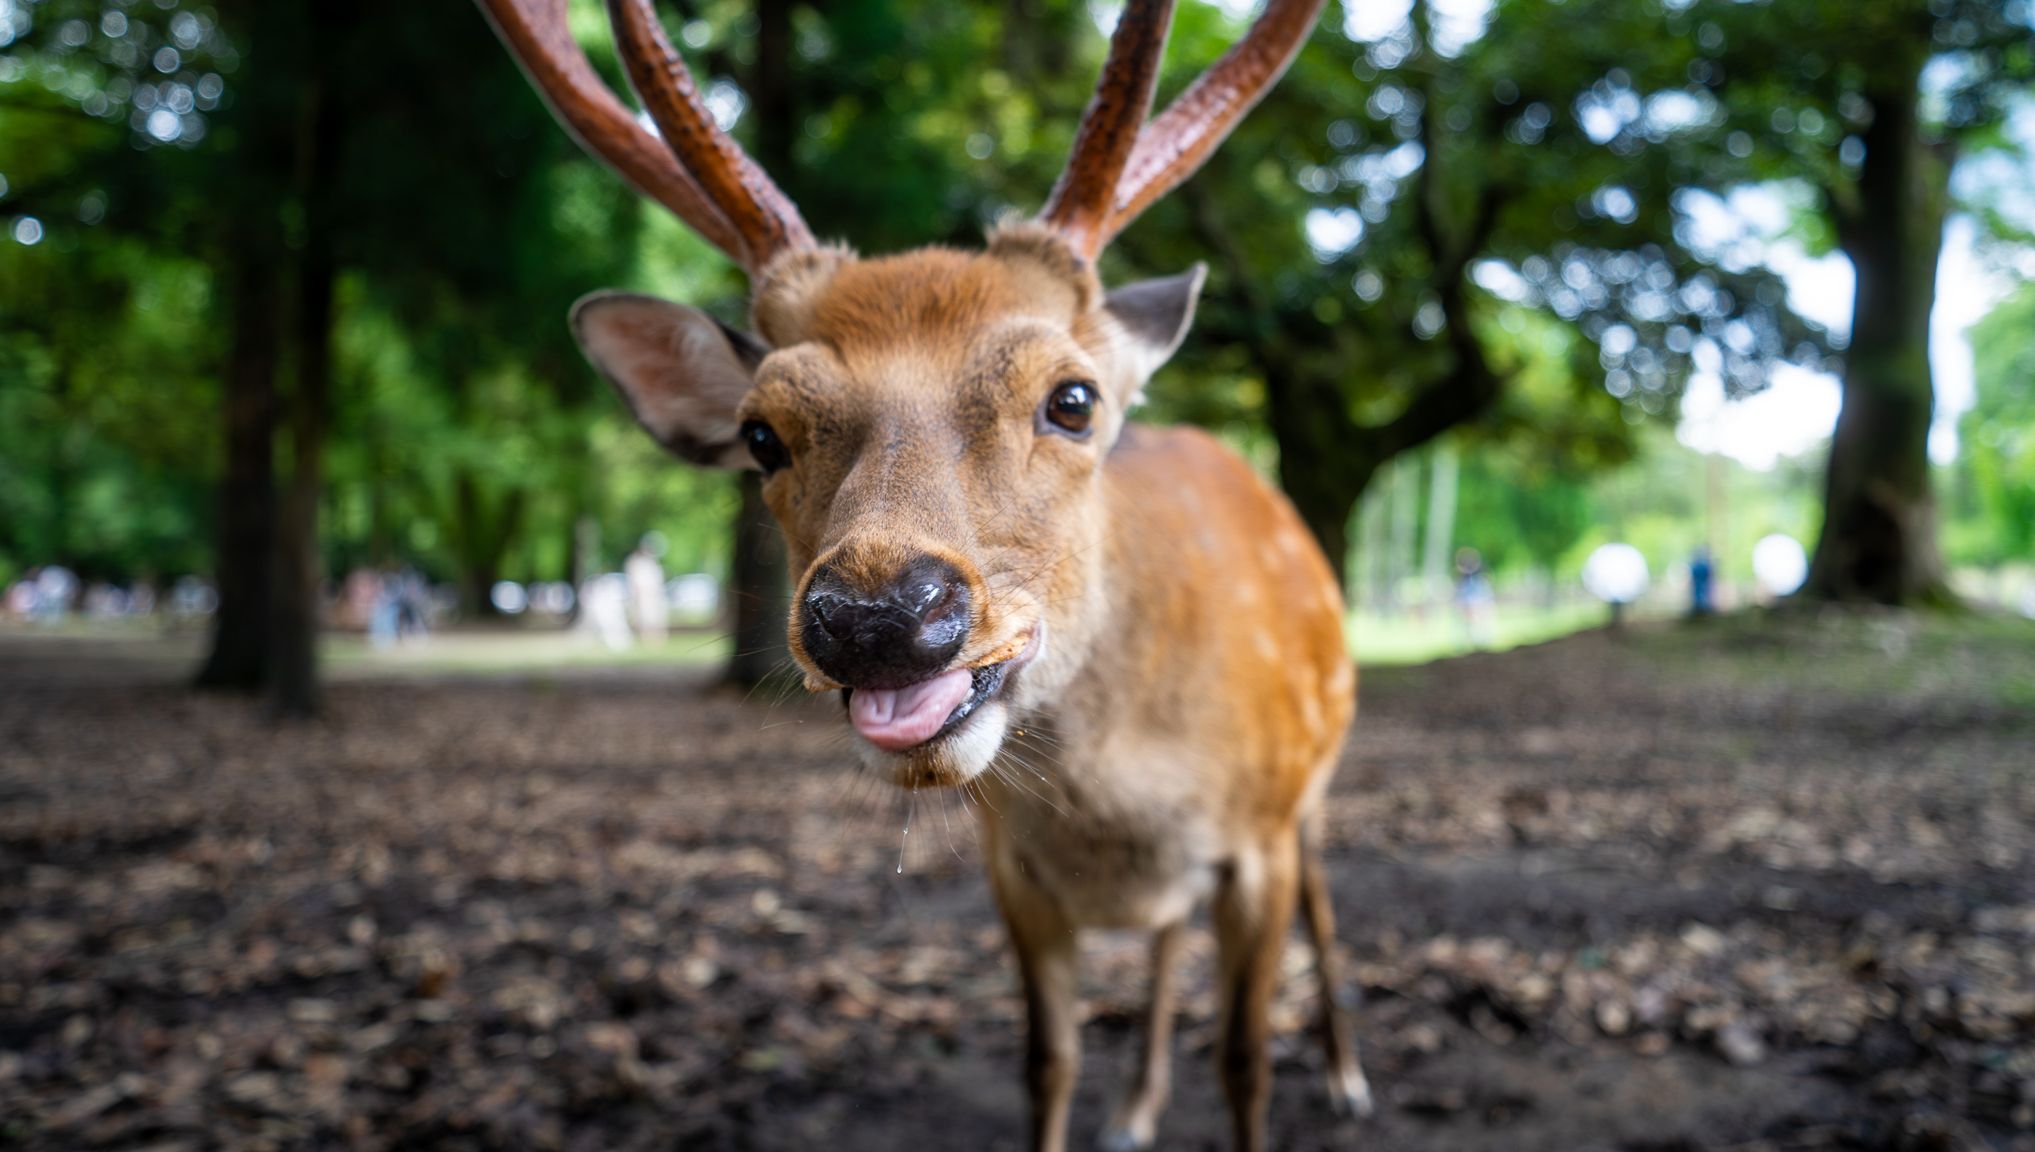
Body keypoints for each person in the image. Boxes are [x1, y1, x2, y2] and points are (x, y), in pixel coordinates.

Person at [624, 535, 669, 643]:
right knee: (645, 617)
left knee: (655, 616)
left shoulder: (651, 563)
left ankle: (655, 638)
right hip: (643, 595)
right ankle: (647, 638)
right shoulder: (637, 562)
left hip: (653, 595)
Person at [1453, 547, 1496, 649]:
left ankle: (1480, 643)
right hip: (1469, 604)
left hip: (1478, 604)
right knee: (1467, 627)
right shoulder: (1463, 578)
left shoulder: (1480, 577)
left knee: (1479, 627)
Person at [1688, 546, 1716, 617]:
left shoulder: (1702, 565)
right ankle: (1700, 607)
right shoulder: (1700, 565)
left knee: (1703, 593)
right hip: (1699, 589)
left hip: (1703, 590)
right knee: (1700, 593)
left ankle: (1702, 607)